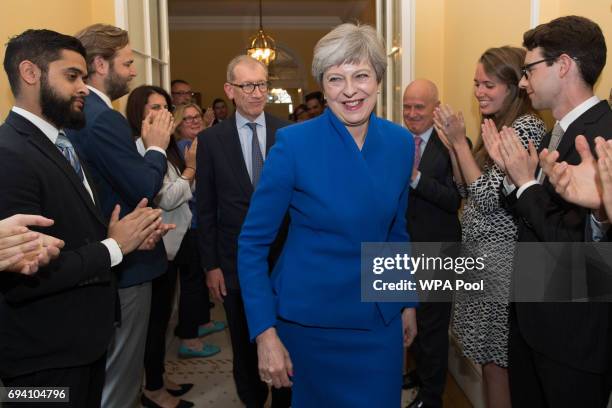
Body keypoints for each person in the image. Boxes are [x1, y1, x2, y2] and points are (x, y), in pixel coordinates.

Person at [237, 23, 417, 407]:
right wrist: (264, 332)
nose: (350, 91)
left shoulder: (401, 143)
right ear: (323, 84)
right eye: (336, 79)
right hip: (310, 324)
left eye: (361, 76)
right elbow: (252, 244)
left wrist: (406, 301)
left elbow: (396, 231)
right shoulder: (294, 144)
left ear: (379, 79)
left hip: (377, 324)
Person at [0, 29, 165, 407]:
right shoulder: (9, 153)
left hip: (80, 344)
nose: (83, 88)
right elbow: (28, 276)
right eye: (71, 76)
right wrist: (114, 246)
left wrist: (128, 234)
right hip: (42, 358)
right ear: (30, 73)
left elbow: (73, 229)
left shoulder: (59, 142)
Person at [492, 16, 612, 407]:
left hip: (571, 339)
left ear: (562, 65)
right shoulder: (555, 132)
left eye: (529, 70)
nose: (523, 83)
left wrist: (526, 185)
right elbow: (534, 217)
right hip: (535, 324)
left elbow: (579, 251)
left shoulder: (602, 137)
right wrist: (514, 178)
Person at [432, 46, 545, 408]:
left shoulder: (526, 126)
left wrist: (461, 143)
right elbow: (465, 188)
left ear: (514, 86)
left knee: (498, 365)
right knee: (488, 361)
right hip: (480, 261)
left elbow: (487, 199)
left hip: (502, 265)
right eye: (476, 84)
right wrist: (454, 145)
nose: (479, 91)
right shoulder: (497, 125)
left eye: (489, 84)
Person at [68, 24, 173, 408]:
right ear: (100, 64)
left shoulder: (83, 113)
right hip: (126, 264)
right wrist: (156, 148)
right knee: (121, 376)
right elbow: (143, 186)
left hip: (109, 254)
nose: (132, 72)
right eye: (127, 63)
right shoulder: (102, 117)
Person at [197, 54, 292, 408]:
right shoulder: (211, 141)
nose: (257, 93)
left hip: (284, 261)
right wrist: (211, 265)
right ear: (230, 90)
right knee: (244, 342)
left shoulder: (287, 135)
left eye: (262, 84)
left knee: (285, 341)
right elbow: (205, 209)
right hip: (234, 264)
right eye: (248, 86)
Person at [127, 85, 198, 408]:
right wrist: (191, 169)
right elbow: (163, 195)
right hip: (157, 243)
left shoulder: (163, 146)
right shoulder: (141, 148)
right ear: (138, 113)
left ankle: (157, 377)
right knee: (155, 324)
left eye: (165, 106)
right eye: (153, 107)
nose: (161, 113)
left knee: (164, 318)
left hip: (173, 241)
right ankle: (153, 389)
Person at [402, 79, 462, 408]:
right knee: (408, 319)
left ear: (435, 108)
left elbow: (454, 200)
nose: (412, 113)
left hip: (438, 250)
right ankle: (417, 374)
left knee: (433, 327)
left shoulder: (452, 143)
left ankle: (431, 397)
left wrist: (415, 178)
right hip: (400, 248)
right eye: (407, 106)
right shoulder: (396, 141)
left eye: (419, 107)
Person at [172, 103, 225, 359]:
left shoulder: (200, 143)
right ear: (178, 126)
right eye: (187, 119)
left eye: (196, 117)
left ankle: (202, 323)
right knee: (193, 283)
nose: (193, 122)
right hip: (191, 226)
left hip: (199, 223)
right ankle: (189, 339)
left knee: (200, 280)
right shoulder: (185, 147)